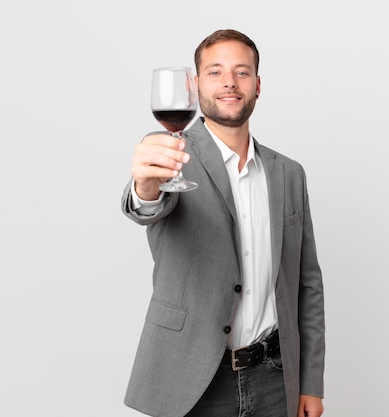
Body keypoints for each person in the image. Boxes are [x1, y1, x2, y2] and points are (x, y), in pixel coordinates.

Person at [121, 29, 325, 417]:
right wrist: (145, 185)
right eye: (215, 72)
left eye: (242, 72)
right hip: (194, 380)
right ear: (195, 87)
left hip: (275, 378)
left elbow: (307, 286)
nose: (230, 82)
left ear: (258, 85)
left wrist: (310, 383)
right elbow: (145, 204)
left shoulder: (290, 174)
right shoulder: (169, 155)